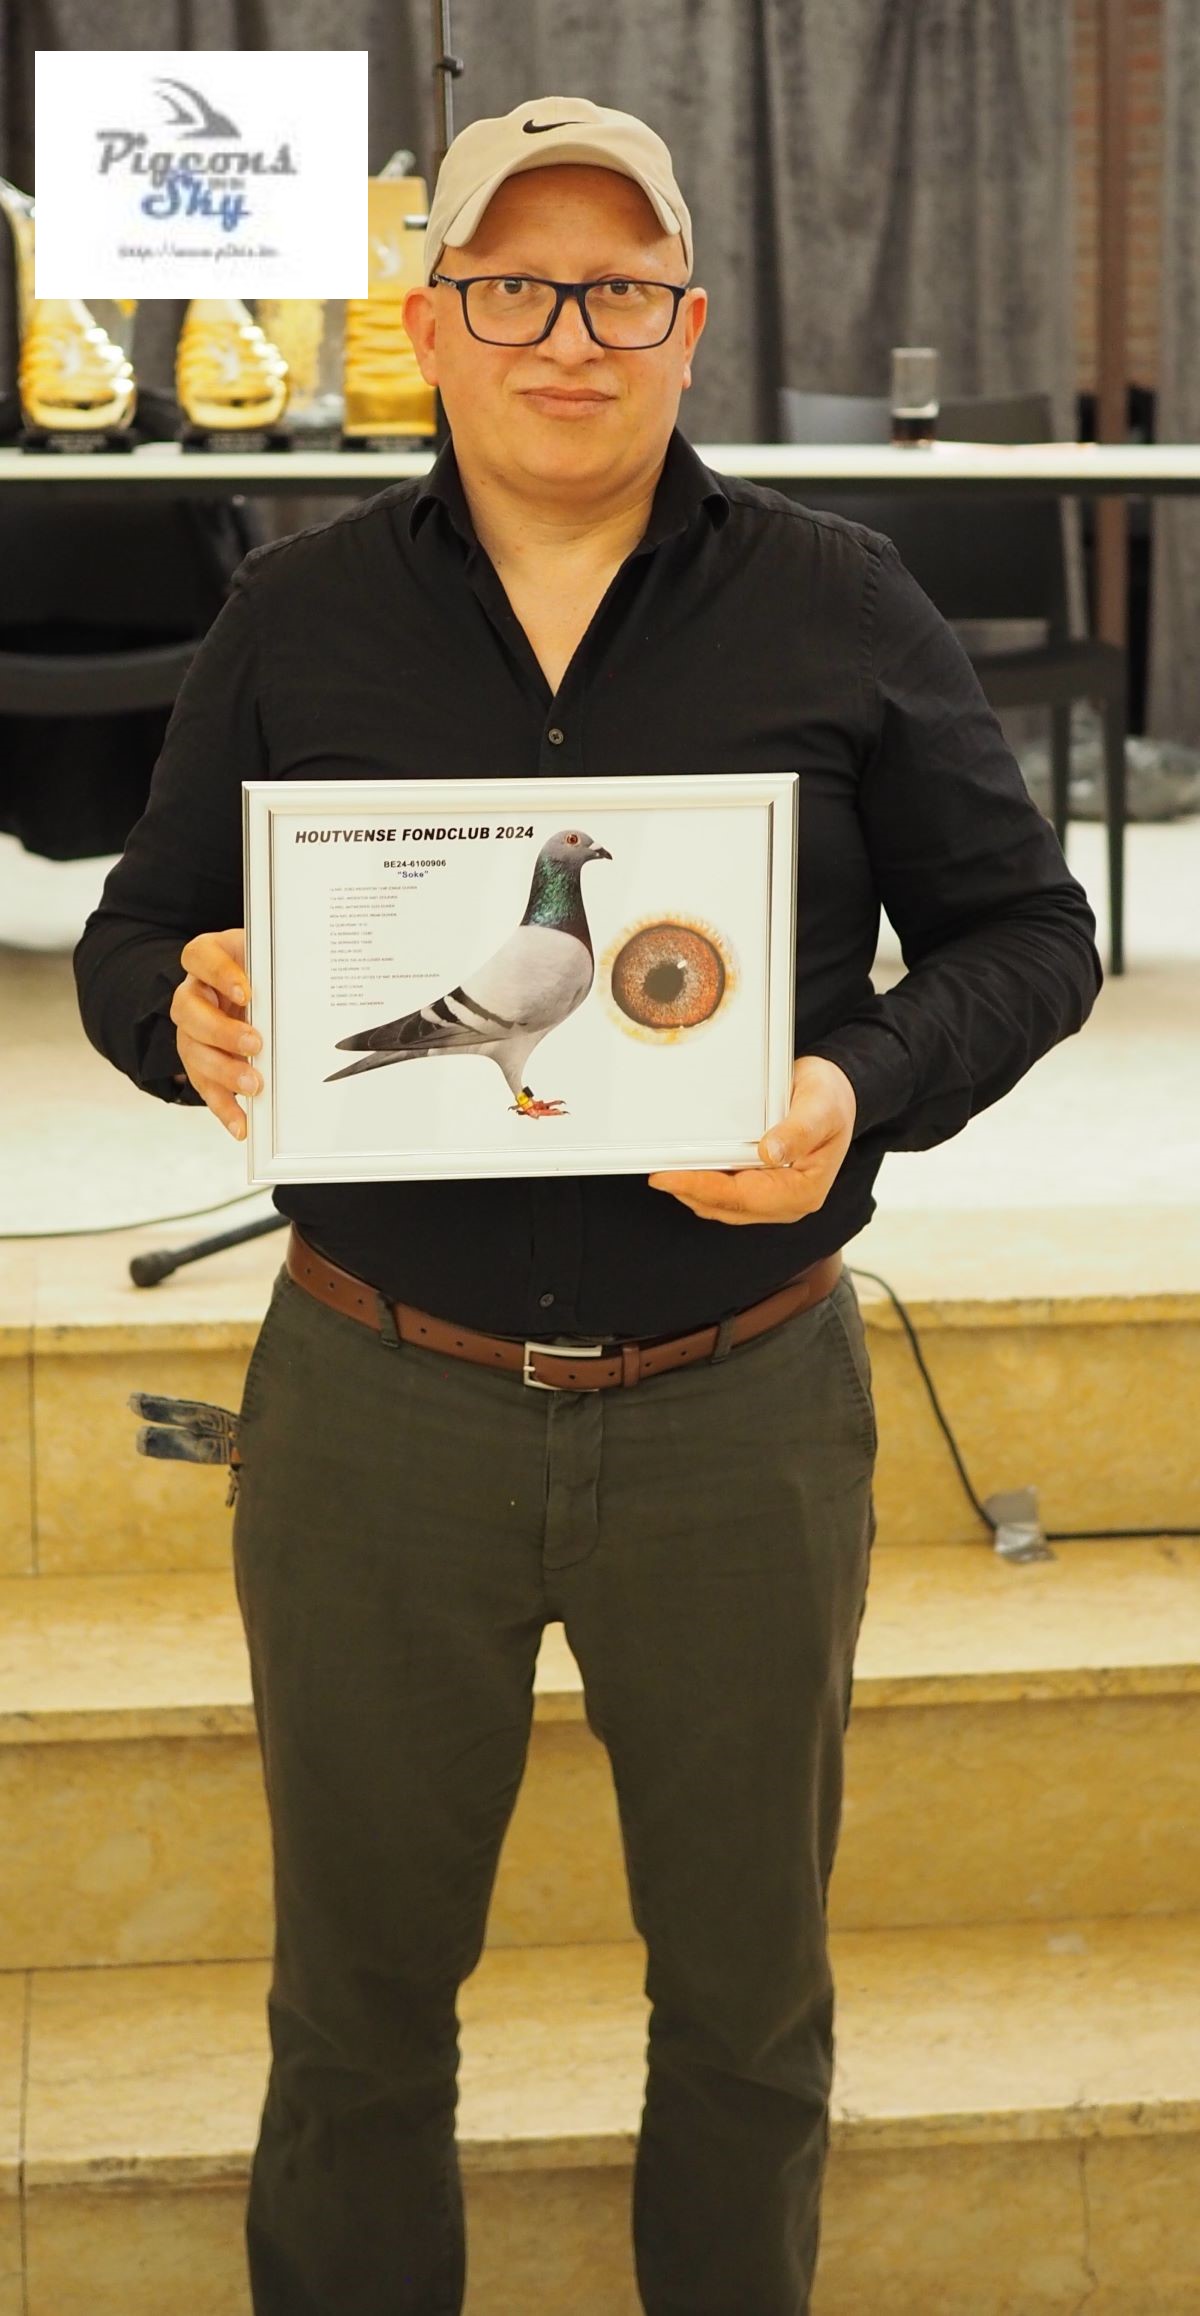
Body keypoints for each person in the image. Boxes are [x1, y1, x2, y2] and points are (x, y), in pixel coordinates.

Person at [74, 94, 1102, 2316]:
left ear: (690, 326)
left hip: (741, 1413)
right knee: (355, 2020)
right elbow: (129, 940)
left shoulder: (843, 601)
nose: (569, 335)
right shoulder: (295, 613)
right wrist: (189, 1008)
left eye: (620, 291)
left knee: (748, 2008)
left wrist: (854, 1083)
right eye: (517, 288)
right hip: (378, 1410)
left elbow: (1034, 933)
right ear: (431, 323)